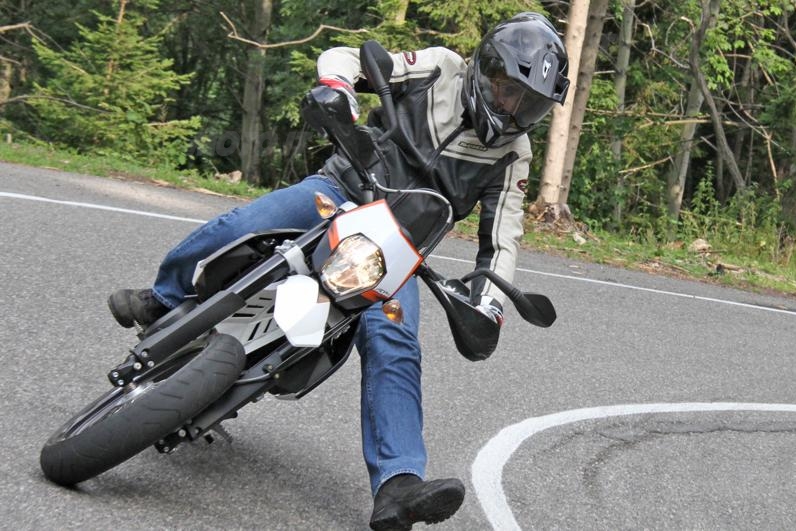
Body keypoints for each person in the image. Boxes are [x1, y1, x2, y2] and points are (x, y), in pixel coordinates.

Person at [108, 12, 568, 531]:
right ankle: (163, 299)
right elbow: (349, 58)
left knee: (396, 344)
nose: (513, 108)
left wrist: (488, 303)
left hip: (399, 251)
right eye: (508, 90)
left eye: (530, 103)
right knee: (245, 222)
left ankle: (399, 484)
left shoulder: (513, 153)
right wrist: (338, 88)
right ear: (485, 70)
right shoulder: (440, 68)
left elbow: (501, 240)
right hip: (342, 190)